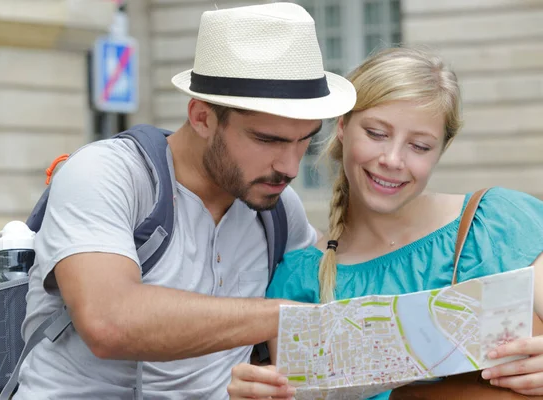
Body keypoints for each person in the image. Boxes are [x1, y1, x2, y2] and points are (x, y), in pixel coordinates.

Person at [13, 3, 357, 400]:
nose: (290, 166)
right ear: (202, 117)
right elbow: (109, 322)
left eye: (305, 140)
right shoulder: (105, 173)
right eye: (268, 139)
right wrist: (280, 316)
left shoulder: (279, 207)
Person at [227, 46, 543, 400]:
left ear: (442, 149)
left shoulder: (499, 224)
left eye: (420, 146)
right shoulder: (301, 281)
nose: (392, 160)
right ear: (343, 126)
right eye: (377, 134)